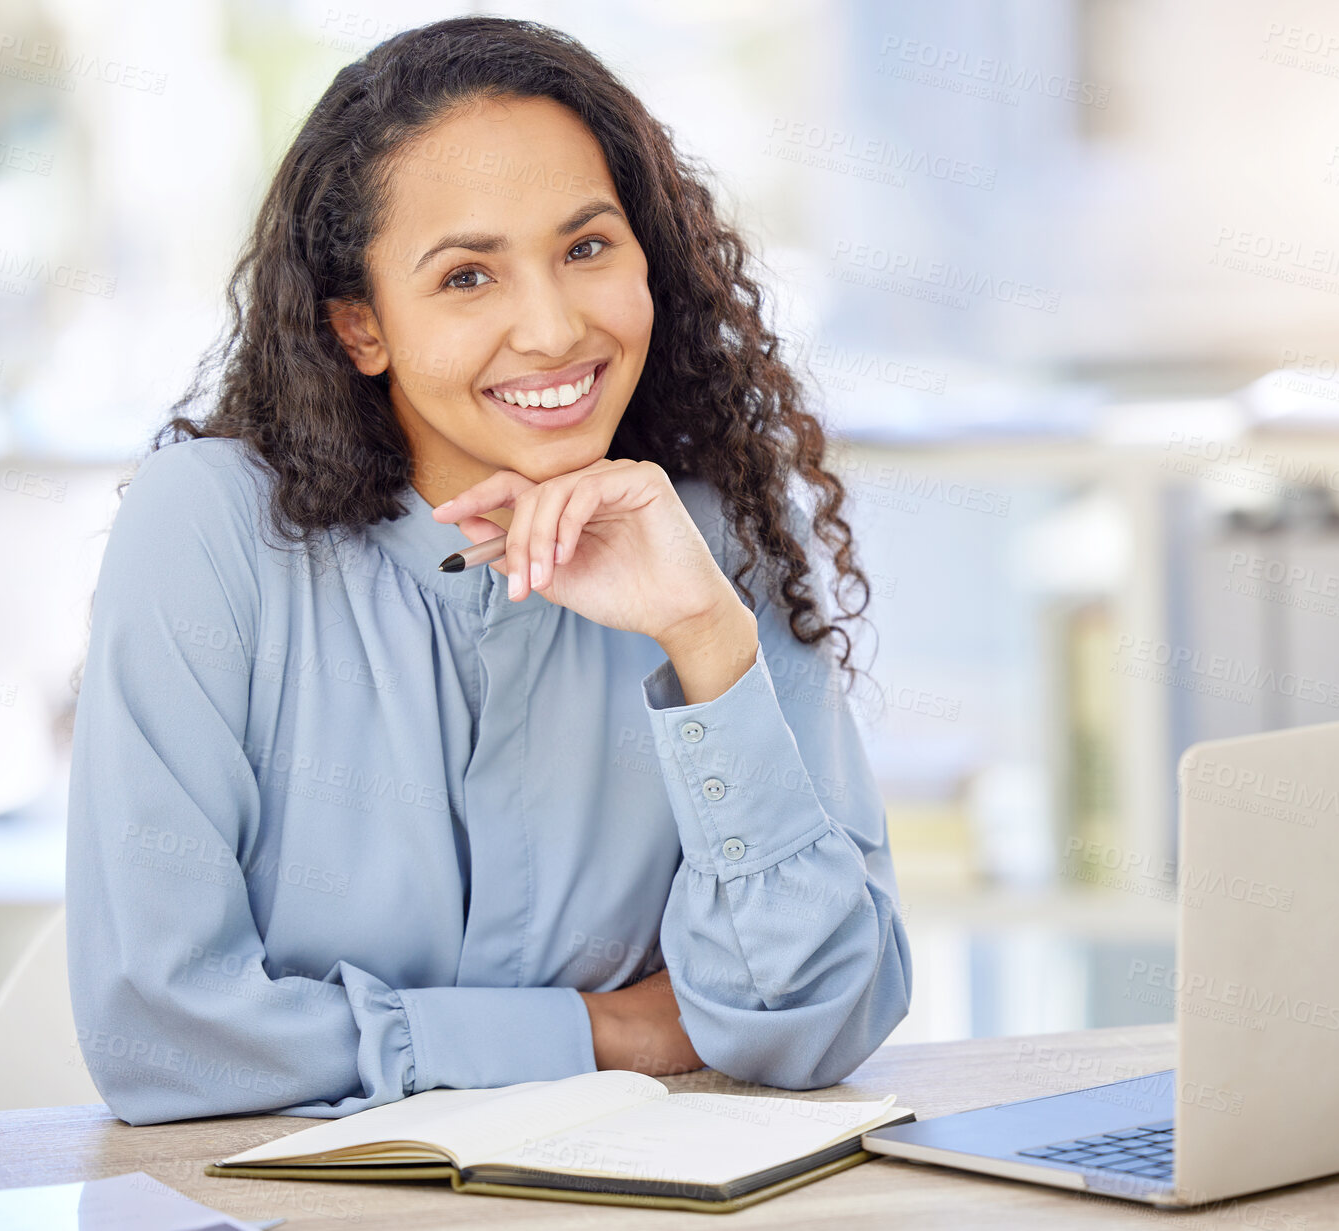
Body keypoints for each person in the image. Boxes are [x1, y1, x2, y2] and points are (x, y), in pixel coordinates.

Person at [65, 14, 911, 1128]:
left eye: (587, 247)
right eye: (468, 276)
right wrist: (605, 1030)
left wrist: (707, 645)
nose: (554, 328)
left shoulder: (711, 538)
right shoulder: (210, 530)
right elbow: (162, 1036)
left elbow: (822, 1015)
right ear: (361, 326)